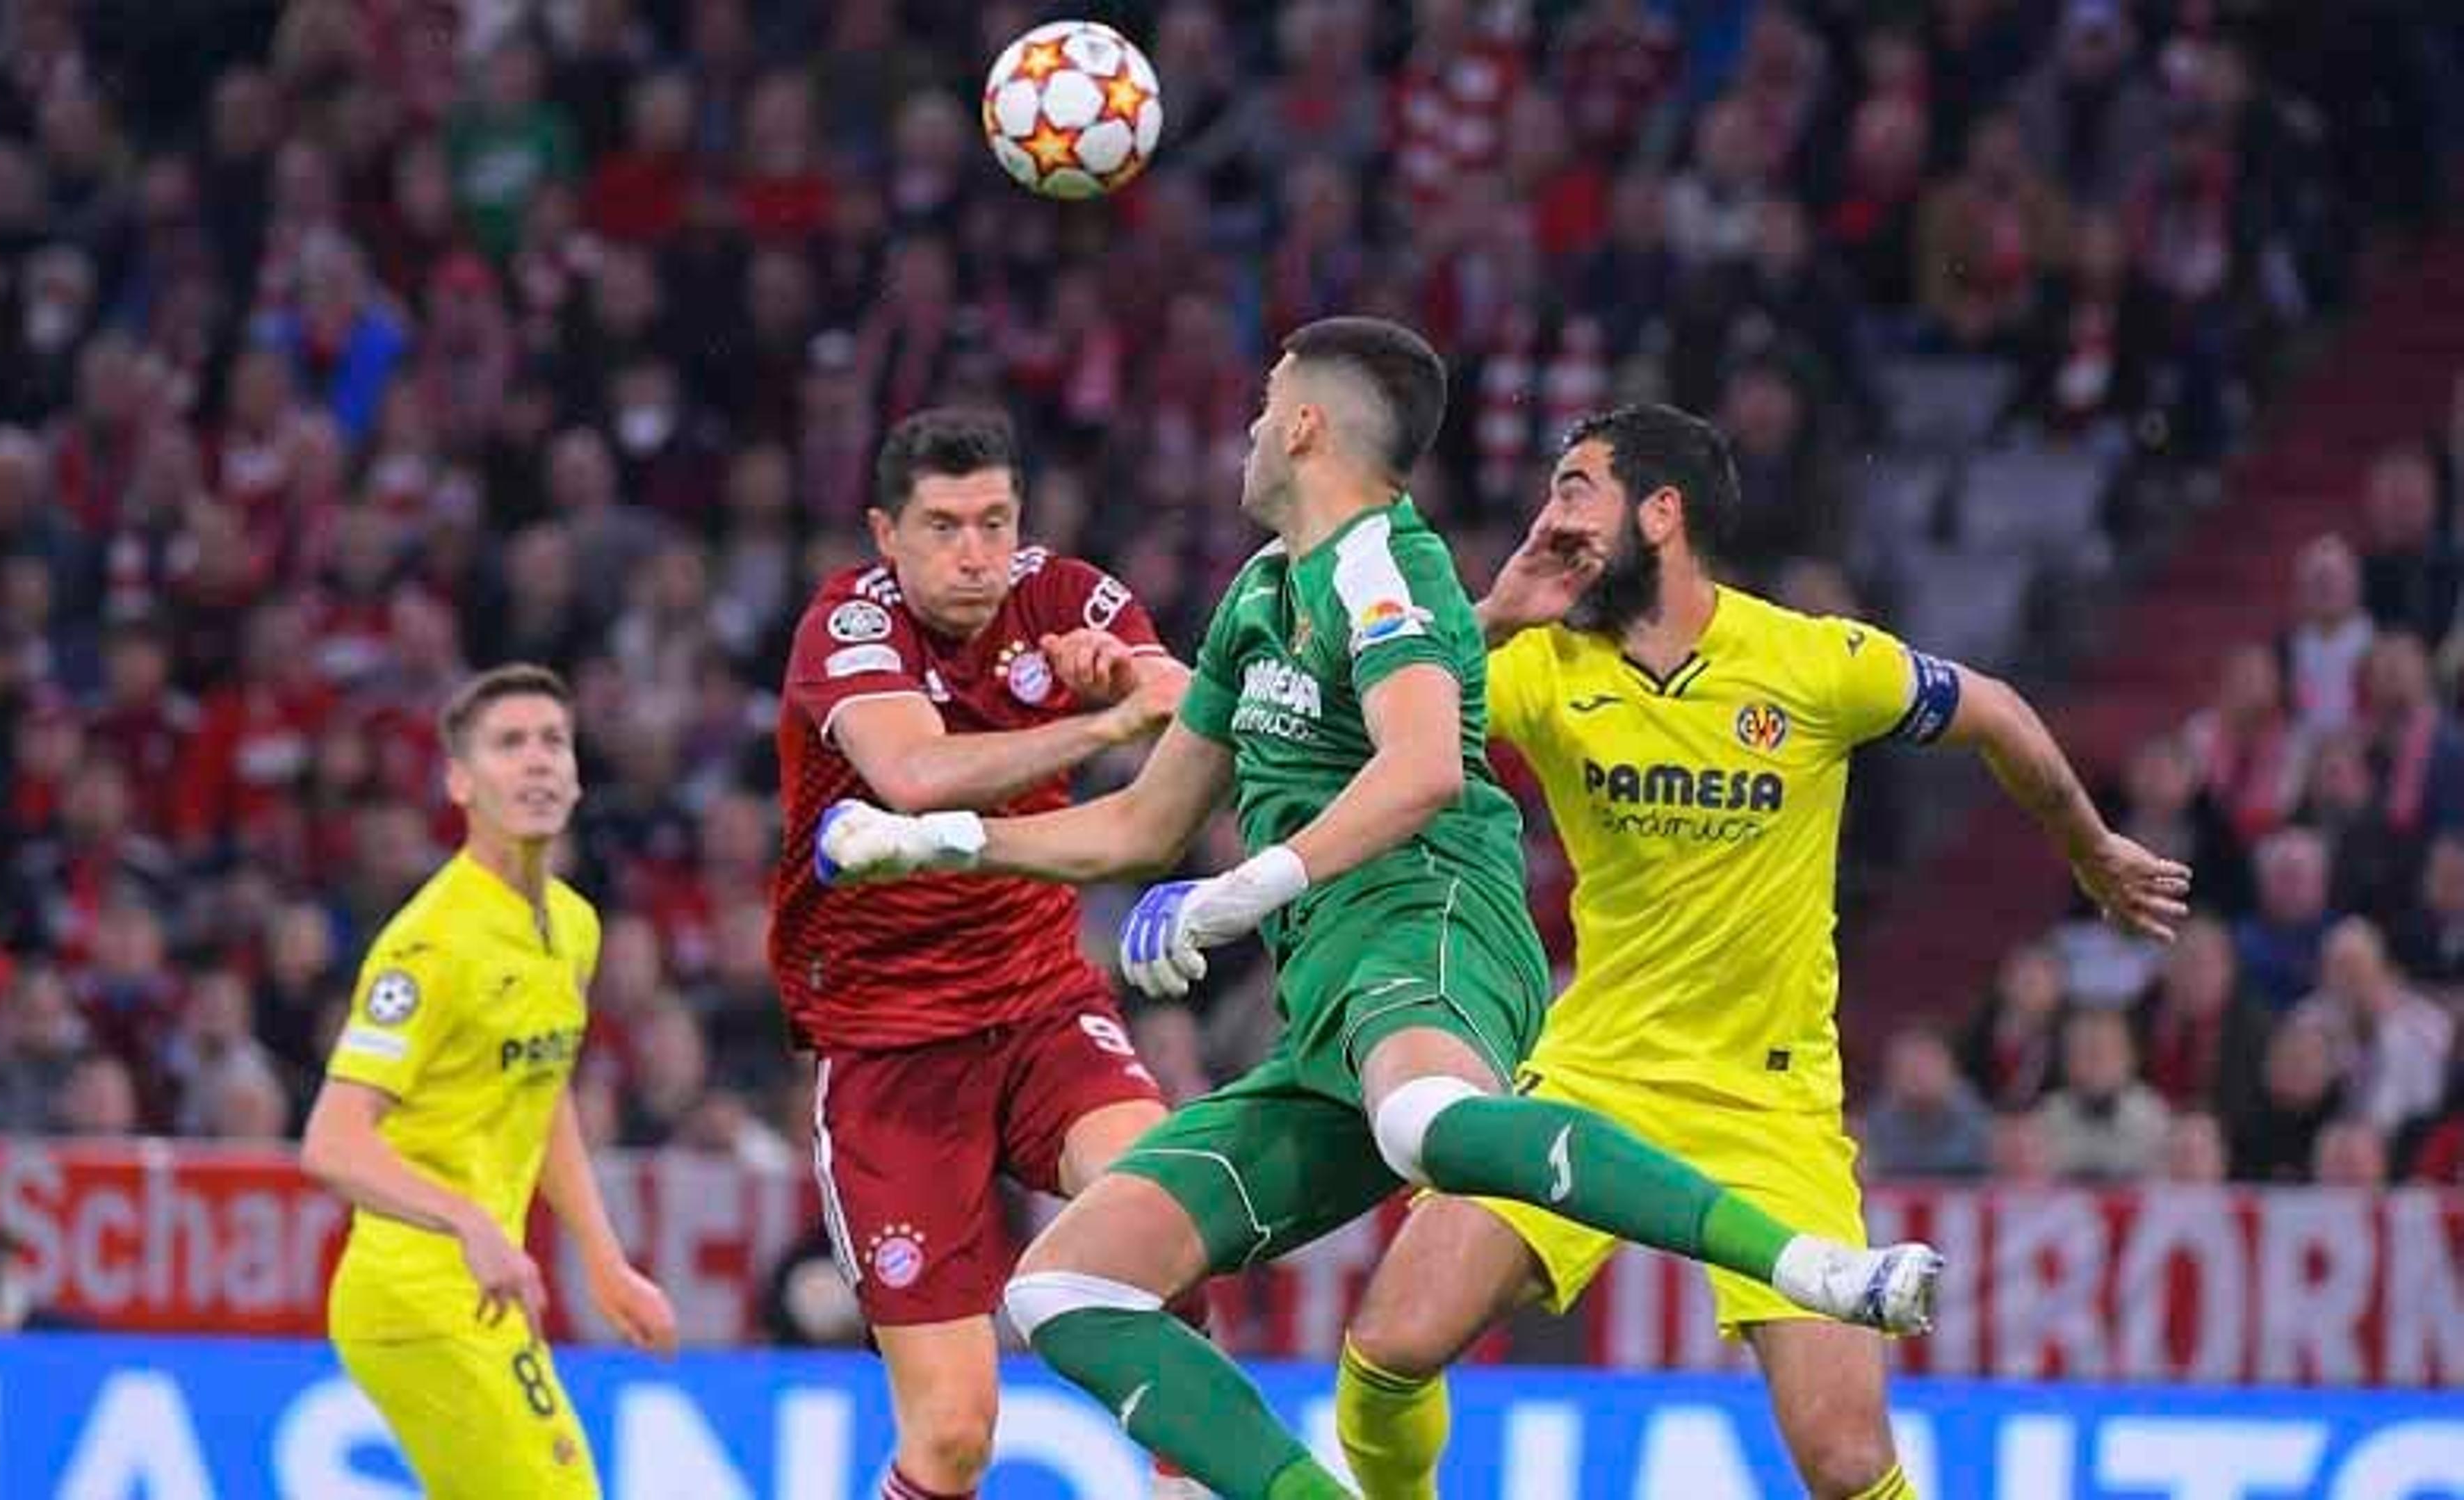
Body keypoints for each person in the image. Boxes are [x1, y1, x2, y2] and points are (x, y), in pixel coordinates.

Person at [817, 321, 1941, 1500]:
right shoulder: (1261, 597)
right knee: (1065, 1288)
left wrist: (1242, 891)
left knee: (1423, 1122)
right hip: (1324, 1015)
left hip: (1434, 927)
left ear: (1304, 423)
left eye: (1264, 408)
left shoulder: (1385, 568)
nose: (1249, 432)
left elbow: (1424, 771)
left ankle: (1803, 1261)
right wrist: (940, 841)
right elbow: (1140, 827)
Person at [1326, 403, 2190, 1500]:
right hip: (1595, 1078)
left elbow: (1997, 711)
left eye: (1577, 488)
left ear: (1663, 511)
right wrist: (1494, 609)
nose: (1553, 517)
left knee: (1844, 1462)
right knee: (1389, 1348)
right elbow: (1376, 723)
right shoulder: (1546, 668)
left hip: (1768, 1108)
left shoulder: (1808, 661)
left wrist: (2090, 845)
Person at [767, 406, 1203, 1500]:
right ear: (886, 534)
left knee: (1171, 1208)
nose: (976, 552)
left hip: (1042, 1006)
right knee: (955, 1434)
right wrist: (1105, 727)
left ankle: (1185, 1480)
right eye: (945, 525)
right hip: (890, 1049)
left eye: (996, 521)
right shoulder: (846, 628)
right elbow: (913, 776)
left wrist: (1129, 681)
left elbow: (1188, 700)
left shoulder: (1065, 596)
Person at [299, 665, 677, 1499]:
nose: (538, 761)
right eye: (510, 745)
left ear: (577, 777)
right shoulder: (430, 946)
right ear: (460, 781)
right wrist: (470, 1222)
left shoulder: (573, 925)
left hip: (480, 1299)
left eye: (554, 742)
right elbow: (331, 1142)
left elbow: (543, 1099)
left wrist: (606, 1263)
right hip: (414, 1295)